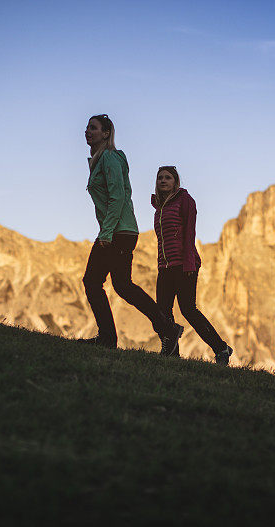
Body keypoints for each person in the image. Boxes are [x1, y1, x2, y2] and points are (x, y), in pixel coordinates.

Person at [78, 114, 183, 355]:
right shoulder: (99, 159)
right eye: (86, 128)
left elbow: (118, 197)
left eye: (93, 128)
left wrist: (106, 232)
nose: (87, 131)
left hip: (117, 231)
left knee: (94, 282)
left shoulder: (110, 158)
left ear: (106, 133)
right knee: (122, 285)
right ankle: (166, 328)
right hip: (118, 230)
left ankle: (109, 337)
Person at [151, 166, 234, 365]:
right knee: (162, 311)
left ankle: (221, 348)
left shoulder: (185, 201)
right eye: (160, 178)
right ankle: (172, 353)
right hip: (165, 266)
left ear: (175, 181)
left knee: (188, 309)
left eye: (168, 178)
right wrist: (160, 263)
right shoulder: (159, 207)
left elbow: (190, 233)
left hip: (184, 264)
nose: (163, 181)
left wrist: (189, 263)